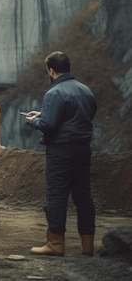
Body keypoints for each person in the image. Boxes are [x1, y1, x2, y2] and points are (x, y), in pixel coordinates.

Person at [25, 51, 97, 257]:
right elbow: (83, 114)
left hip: (61, 151)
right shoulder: (86, 90)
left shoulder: (54, 93)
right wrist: (45, 114)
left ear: (51, 70)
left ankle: (55, 243)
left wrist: (34, 120)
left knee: (57, 195)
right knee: (83, 196)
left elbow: (48, 125)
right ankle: (87, 244)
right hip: (83, 149)